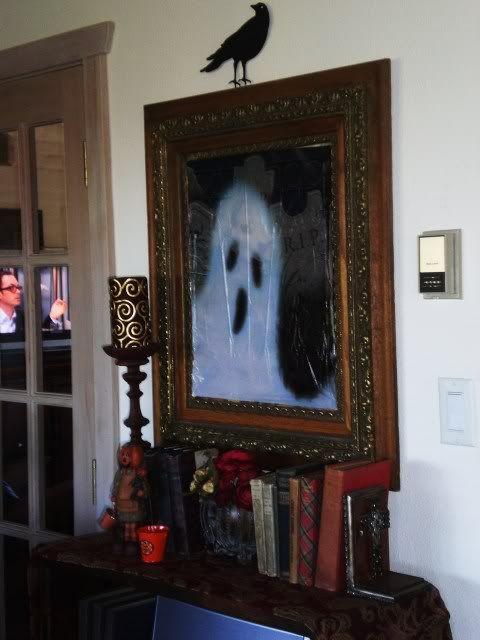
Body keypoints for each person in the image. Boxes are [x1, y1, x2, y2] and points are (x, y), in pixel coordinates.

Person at [0, 269, 68, 334]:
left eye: (18, 287)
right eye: (11, 288)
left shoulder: (22, 315)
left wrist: (53, 316)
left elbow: (41, 336)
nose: (18, 292)